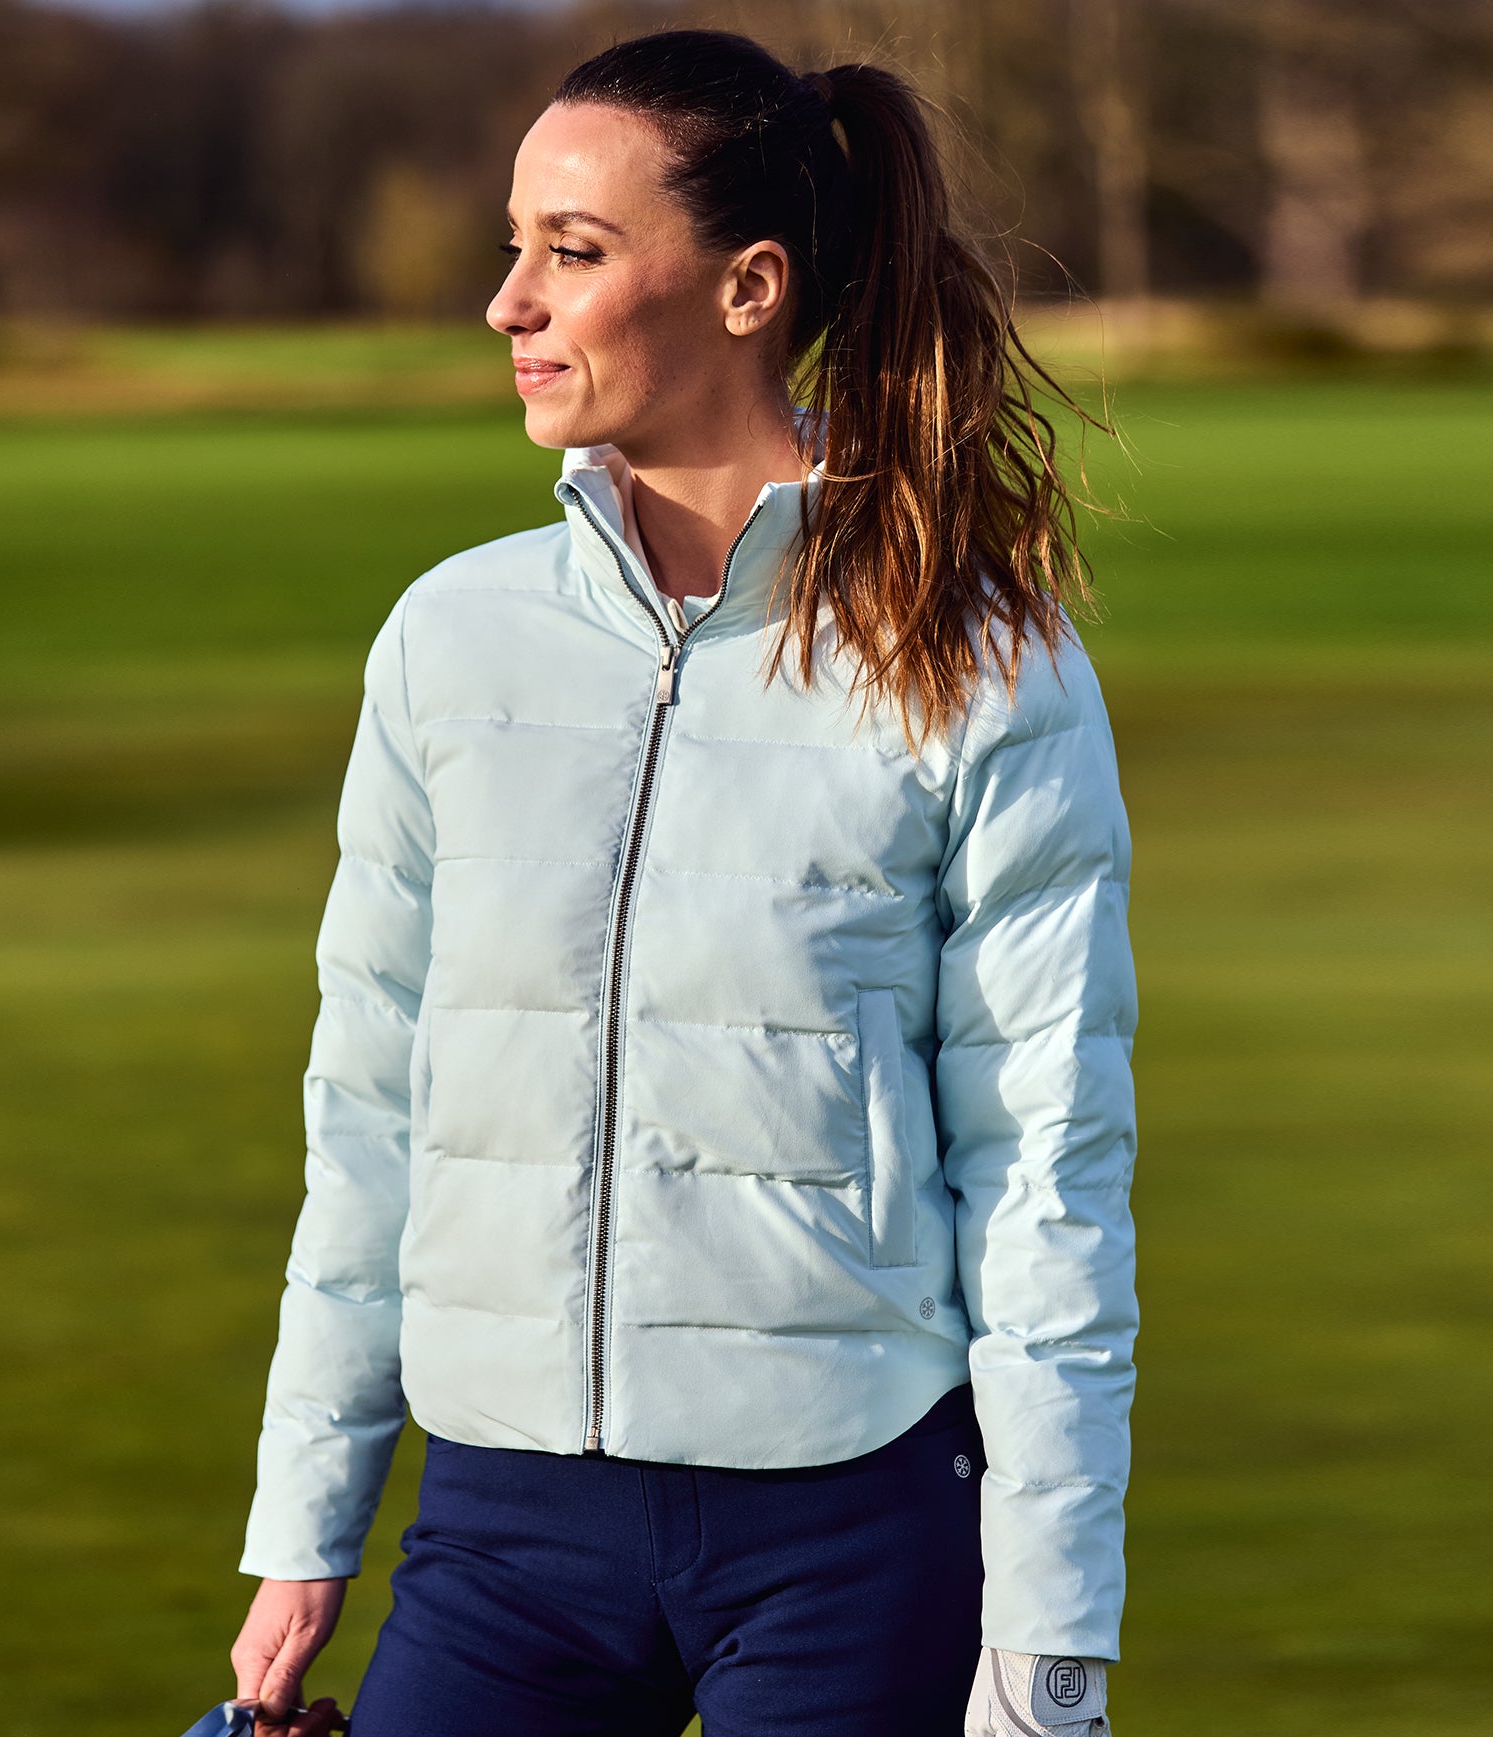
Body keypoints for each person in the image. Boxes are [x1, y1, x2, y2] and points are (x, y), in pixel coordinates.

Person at [227, 26, 1137, 1737]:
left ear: (747, 288)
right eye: (515, 245)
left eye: (569, 252)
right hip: (498, 1533)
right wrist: (304, 1521)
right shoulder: (449, 637)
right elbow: (368, 1102)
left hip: (850, 1528)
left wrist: (1052, 1638)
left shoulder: (974, 661)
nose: (508, 301)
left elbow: (1046, 1166)